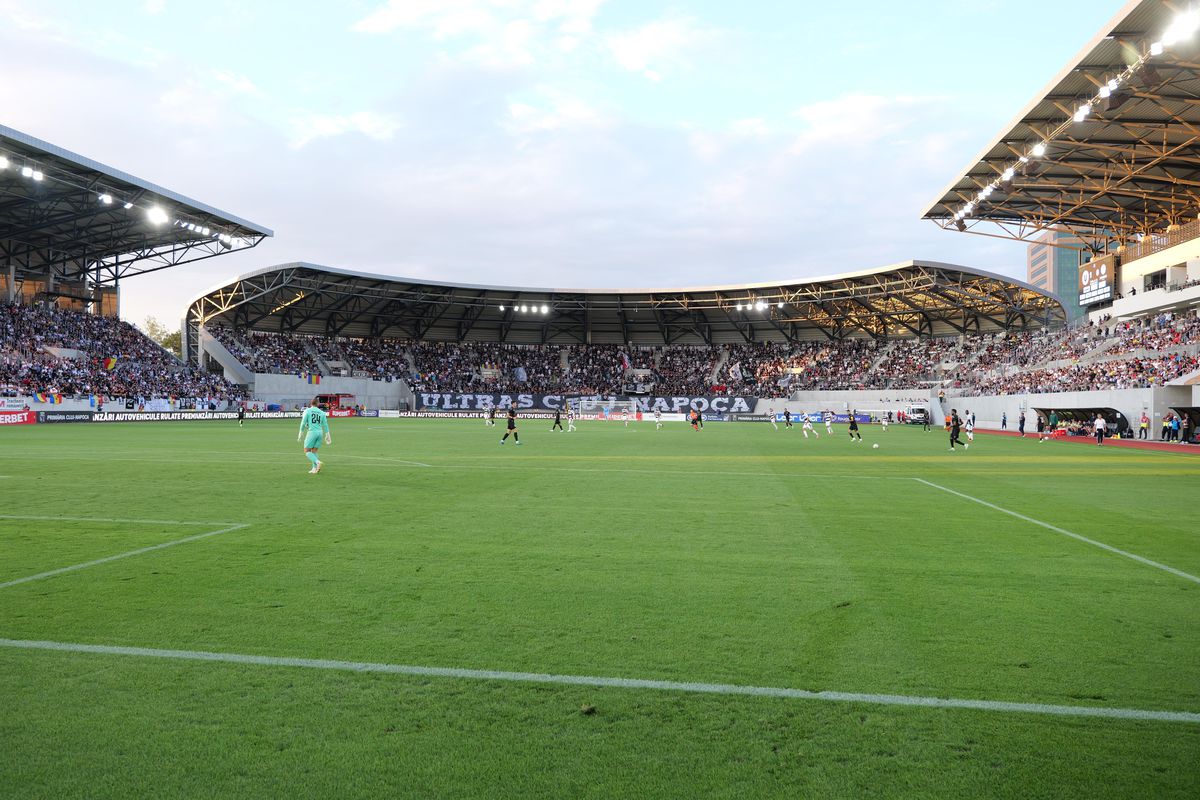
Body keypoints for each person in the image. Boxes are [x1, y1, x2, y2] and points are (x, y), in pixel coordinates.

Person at [297, 397, 331, 474]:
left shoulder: (308, 411)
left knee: (306, 451)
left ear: (311, 403)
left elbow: (303, 423)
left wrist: (300, 433)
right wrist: (327, 434)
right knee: (314, 451)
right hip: (320, 433)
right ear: (318, 404)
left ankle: (317, 462)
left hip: (312, 432)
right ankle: (314, 468)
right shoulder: (321, 412)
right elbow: (325, 424)